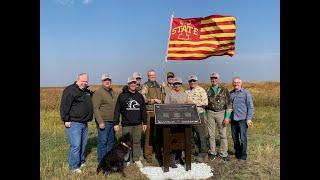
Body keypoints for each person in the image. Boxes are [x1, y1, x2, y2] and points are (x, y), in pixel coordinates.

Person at [60, 73, 93, 173]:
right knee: (76, 145)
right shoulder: (70, 90)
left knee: (83, 144)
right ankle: (73, 166)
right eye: (83, 81)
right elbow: (64, 106)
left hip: (84, 122)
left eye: (86, 81)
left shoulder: (86, 91)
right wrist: (66, 119)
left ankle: (81, 161)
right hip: (74, 123)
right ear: (78, 79)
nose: (85, 83)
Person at [114, 76, 147, 167]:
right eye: (131, 83)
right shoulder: (122, 95)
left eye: (134, 83)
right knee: (125, 143)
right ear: (128, 84)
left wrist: (145, 122)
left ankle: (136, 159)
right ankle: (125, 159)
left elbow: (143, 110)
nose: (133, 84)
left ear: (136, 84)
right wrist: (116, 123)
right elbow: (117, 110)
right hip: (126, 124)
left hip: (137, 124)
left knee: (137, 141)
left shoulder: (139, 96)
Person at [164, 76, 190, 168]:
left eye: (178, 84)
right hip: (172, 121)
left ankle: (181, 158)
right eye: (175, 84)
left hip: (183, 121)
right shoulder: (169, 94)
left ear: (181, 84)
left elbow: (187, 106)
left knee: (182, 139)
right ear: (173, 85)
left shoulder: (185, 94)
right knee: (173, 140)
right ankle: (171, 160)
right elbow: (166, 106)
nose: (177, 85)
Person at [206, 72, 232, 161]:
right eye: (212, 78)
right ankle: (212, 152)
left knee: (223, 134)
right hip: (210, 113)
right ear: (210, 79)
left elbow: (229, 104)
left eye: (215, 78)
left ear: (218, 79)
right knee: (211, 135)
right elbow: (205, 105)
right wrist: (205, 116)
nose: (214, 80)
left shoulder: (224, 90)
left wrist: (227, 117)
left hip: (221, 113)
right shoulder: (207, 90)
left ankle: (224, 153)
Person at [92, 73, 117, 163]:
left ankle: (109, 160)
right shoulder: (98, 92)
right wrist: (100, 122)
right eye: (105, 80)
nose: (107, 82)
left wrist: (116, 121)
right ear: (102, 81)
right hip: (104, 122)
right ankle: (101, 161)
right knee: (103, 142)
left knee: (111, 142)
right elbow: (95, 108)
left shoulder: (111, 91)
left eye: (108, 80)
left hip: (112, 121)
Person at [229, 77, 254, 161]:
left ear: (241, 83)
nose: (236, 84)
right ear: (233, 84)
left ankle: (243, 155)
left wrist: (249, 118)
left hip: (243, 119)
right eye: (234, 82)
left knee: (243, 138)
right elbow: (229, 107)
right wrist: (228, 117)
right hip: (233, 119)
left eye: (238, 82)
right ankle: (238, 152)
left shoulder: (246, 93)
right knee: (234, 137)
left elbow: (250, 107)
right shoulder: (231, 93)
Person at [141, 69, 163, 163]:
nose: (152, 77)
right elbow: (143, 98)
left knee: (158, 134)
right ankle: (148, 155)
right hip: (150, 112)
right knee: (149, 135)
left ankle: (158, 153)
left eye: (154, 75)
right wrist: (153, 100)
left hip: (159, 112)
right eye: (151, 75)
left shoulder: (158, 85)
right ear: (148, 76)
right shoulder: (146, 85)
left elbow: (163, 97)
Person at [185, 74, 209, 162]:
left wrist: (193, 102)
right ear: (188, 82)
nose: (192, 82)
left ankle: (203, 153)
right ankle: (191, 152)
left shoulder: (201, 90)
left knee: (201, 134)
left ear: (196, 81)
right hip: (189, 116)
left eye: (194, 81)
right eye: (191, 81)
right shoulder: (186, 91)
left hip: (199, 114)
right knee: (190, 134)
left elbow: (205, 102)